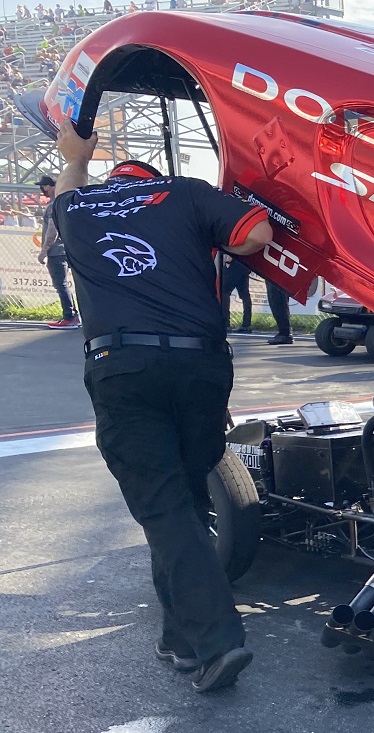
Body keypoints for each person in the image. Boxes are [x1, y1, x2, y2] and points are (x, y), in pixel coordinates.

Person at [51, 120, 272, 692]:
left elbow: (66, 187)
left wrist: (75, 155)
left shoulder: (78, 207)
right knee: (187, 495)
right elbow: (256, 236)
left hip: (122, 366)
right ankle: (179, 635)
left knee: (163, 504)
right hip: (201, 366)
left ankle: (216, 640)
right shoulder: (188, 194)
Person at [35, 175, 78, 328]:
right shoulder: (65, 203)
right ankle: (74, 315)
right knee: (73, 284)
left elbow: (52, 231)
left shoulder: (53, 206)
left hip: (57, 251)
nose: (42, 189)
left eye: (44, 186)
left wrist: (44, 251)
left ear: (51, 186)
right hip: (69, 249)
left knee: (61, 284)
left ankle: (70, 316)